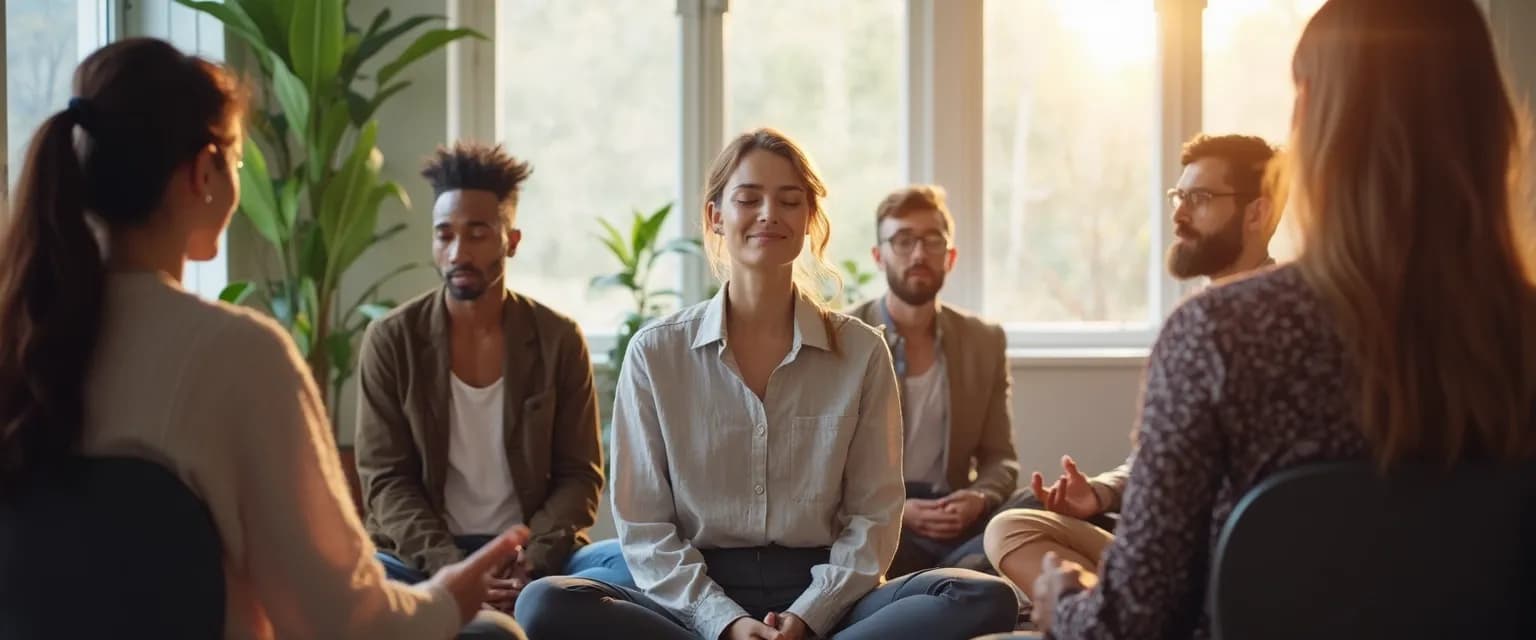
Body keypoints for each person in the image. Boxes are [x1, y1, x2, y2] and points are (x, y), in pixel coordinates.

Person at [1028, 1, 1536, 637]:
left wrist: (1062, 600)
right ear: (1491, 122)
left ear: (1318, 125)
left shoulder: (1218, 338)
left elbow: (1131, 623)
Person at [0, 38, 527, 639]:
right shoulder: (238, 355)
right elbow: (345, 623)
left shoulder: (19, 342)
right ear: (204, 171)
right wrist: (447, 598)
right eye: (239, 163)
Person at [513, 128, 1020, 640]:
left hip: (827, 592)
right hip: (699, 592)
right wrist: (726, 622)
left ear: (808, 220)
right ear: (716, 216)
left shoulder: (862, 351)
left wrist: (807, 618)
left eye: (789, 201)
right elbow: (645, 529)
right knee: (544, 602)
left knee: (981, 595)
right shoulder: (655, 352)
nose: (768, 214)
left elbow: (873, 518)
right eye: (748, 199)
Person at [983, 133, 1279, 594]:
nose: (1179, 214)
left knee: (1015, 536)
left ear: (1257, 211)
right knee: (1011, 525)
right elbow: (1155, 460)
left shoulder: (1263, 324)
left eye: (1200, 197)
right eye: (1178, 196)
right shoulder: (1198, 312)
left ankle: (1107, 616)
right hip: (1175, 547)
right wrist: (1099, 492)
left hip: (1223, 553)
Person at [356, 141, 632, 612]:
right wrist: (456, 573)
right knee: (362, 577)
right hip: (423, 558)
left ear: (512, 240)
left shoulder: (558, 338)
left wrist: (528, 562)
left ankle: (519, 601)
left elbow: (579, 476)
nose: (458, 251)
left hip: (535, 559)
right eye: (444, 235)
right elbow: (386, 481)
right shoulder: (391, 339)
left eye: (477, 233)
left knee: (627, 566)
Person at [846, 185, 1020, 578]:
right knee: (848, 540)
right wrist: (898, 510)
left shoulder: (985, 340)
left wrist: (978, 498)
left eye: (932, 241)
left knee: (1035, 508)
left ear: (951, 256)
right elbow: (823, 470)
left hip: (956, 514)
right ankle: (957, 580)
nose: (919, 254)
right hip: (881, 522)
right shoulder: (844, 337)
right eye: (903, 241)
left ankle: (944, 579)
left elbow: (1001, 458)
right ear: (878, 256)